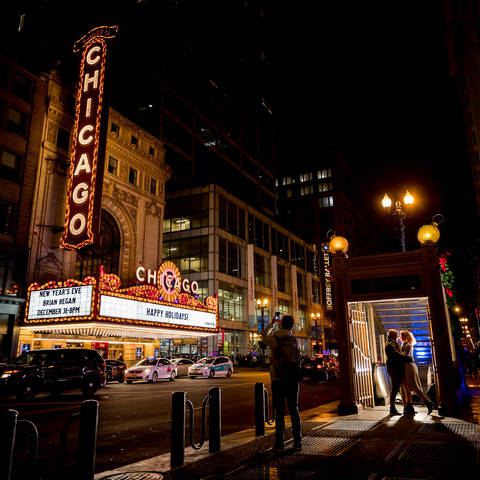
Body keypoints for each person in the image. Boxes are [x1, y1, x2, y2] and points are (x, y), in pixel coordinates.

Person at [262, 314, 302, 452]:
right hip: (292, 379)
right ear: (291, 326)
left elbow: (263, 335)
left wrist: (272, 323)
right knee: (294, 410)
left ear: (280, 324)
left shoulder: (274, 339)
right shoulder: (294, 340)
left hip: (278, 379)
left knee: (279, 412)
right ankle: (297, 442)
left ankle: (279, 443)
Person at [399, 330, 434, 415]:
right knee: (408, 388)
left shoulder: (408, 345)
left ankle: (427, 403)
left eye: (401, 336)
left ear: (404, 337)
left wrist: (397, 352)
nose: (400, 338)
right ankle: (410, 407)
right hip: (406, 367)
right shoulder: (404, 345)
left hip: (409, 367)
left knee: (414, 386)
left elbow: (404, 355)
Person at [385, 329, 411, 415]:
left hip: (395, 368)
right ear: (392, 336)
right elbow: (396, 354)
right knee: (395, 388)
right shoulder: (390, 344)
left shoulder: (392, 343)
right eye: (396, 335)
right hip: (394, 368)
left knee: (397, 388)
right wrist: (407, 358)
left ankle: (401, 407)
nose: (398, 337)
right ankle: (392, 408)